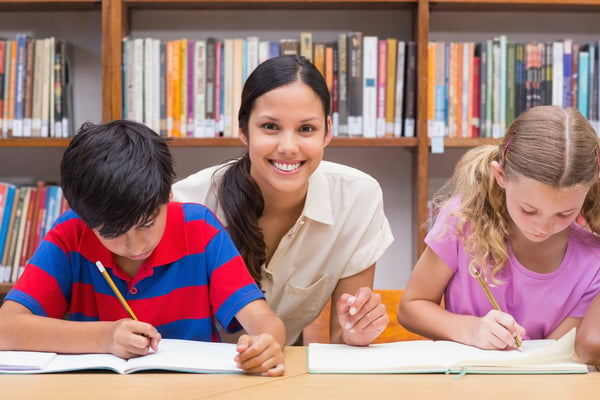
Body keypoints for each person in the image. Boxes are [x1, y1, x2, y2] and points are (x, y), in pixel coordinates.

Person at [0, 120, 286, 376]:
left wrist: (266, 342)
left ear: (169, 195)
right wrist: (105, 337)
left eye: (147, 224)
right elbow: (5, 328)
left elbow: (264, 320)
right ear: (85, 218)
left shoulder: (199, 229)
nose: (135, 246)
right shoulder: (71, 234)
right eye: (112, 233)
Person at [173, 55, 393, 346]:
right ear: (243, 131)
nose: (288, 147)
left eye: (306, 129)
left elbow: (342, 334)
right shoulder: (187, 203)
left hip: (279, 371)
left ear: (327, 132)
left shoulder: (358, 199)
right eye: (270, 127)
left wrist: (356, 331)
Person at [398, 105, 600, 350]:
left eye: (565, 213)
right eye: (528, 209)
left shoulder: (593, 262)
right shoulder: (463, 221)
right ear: (501, 176)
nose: (543, 227)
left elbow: (552, 356)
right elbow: (411, 307)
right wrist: (471, 330)